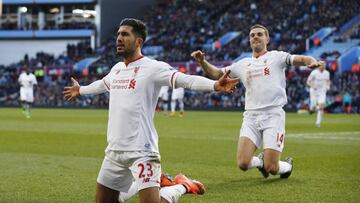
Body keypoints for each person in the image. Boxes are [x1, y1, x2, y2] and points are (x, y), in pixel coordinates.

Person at [63, 18, 239, 203]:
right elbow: (102, 84)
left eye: (125, 34)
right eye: (118, 34)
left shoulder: (153, 67)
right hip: (114, 150)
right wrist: (80, 90)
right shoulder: (116, 69)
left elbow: (185, 79)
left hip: (142, 151)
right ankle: (156, 182)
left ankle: (182, 186)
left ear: (139, 41)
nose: (119, 38)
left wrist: (215, 85)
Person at [191, 24, 325, 179]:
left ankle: (287, 166)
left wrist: (311, 61)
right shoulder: (243, 64)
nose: (255, 37)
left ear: (267, 39)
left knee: (272, 167)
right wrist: (202, 62)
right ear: (249, 41)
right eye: (252, 35)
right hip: (251, 117)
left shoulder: (277, 57)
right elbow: (217, 74)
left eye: (259, 34)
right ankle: (260, 162)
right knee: (243, 163)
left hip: (273, 115)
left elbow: (301, 58)